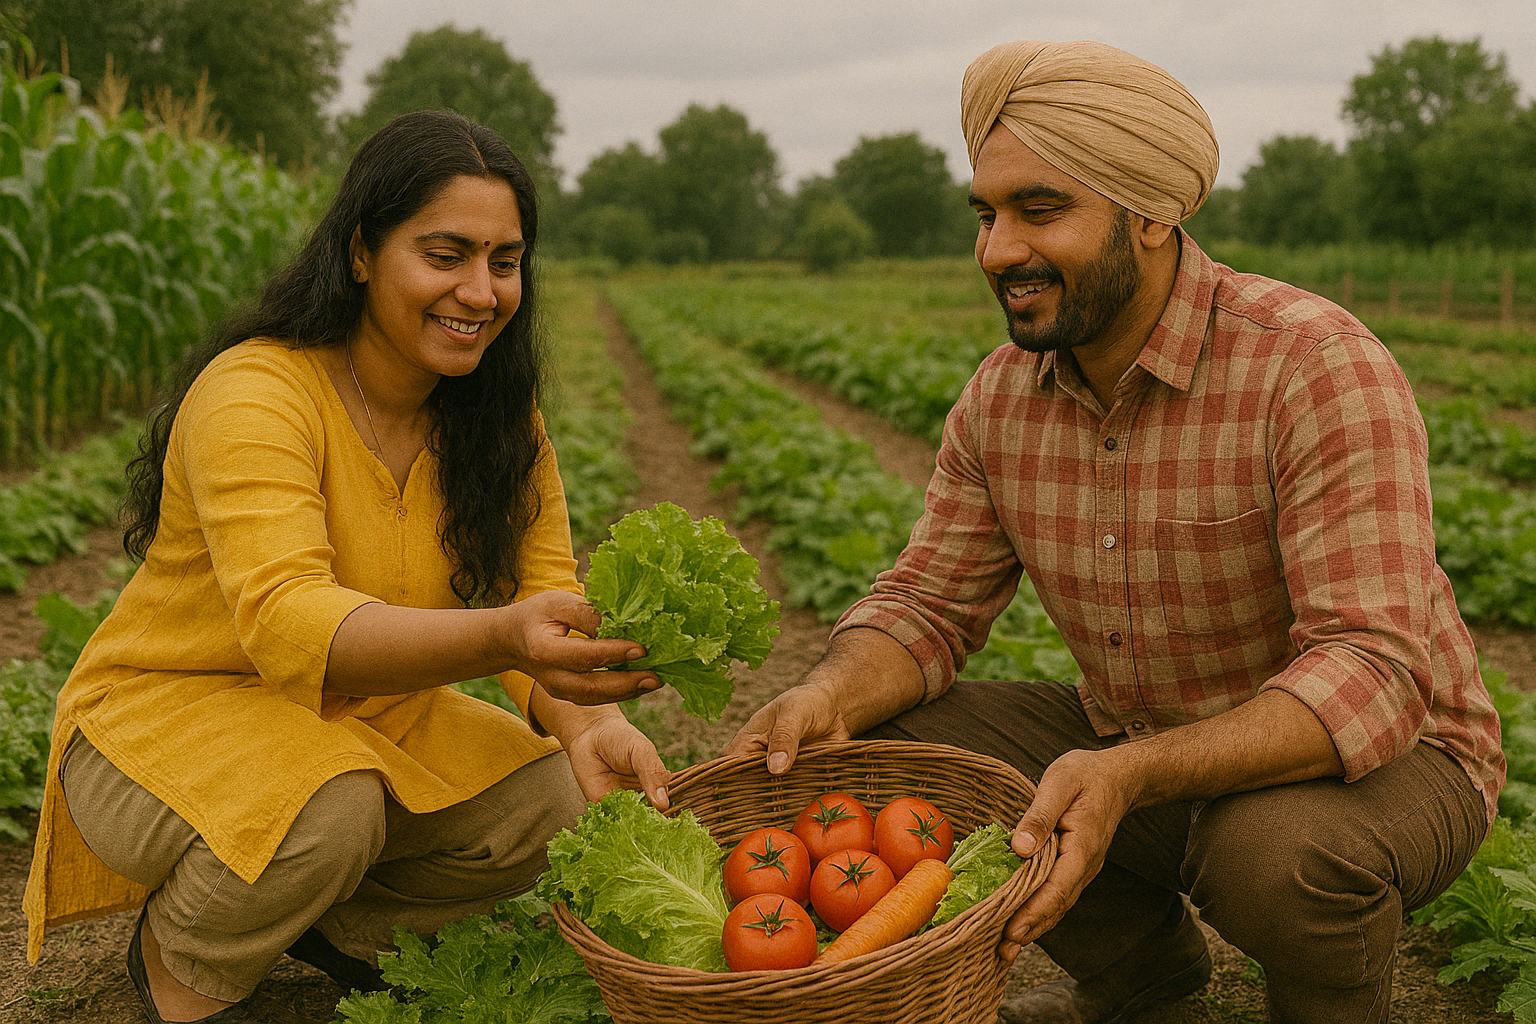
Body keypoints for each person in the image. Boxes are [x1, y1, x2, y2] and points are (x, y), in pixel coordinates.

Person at [726, 40, 1503, 1024]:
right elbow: (925, 603)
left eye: (1039, 211)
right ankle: (1142, 975)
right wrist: (825, 693)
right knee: (890, 736)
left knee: (1279, 855)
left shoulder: (1313, 364)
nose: (997, 249)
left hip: (1390, 764)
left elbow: (1374, 669)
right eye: (988, 212)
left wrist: (1130, 771)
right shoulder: (1002, 400)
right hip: (1139, 744)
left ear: (1152, 212)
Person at [24, 109, 671, 1024]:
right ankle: (185, 973)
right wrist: (498, 638)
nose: (480, 292)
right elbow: (291, 623)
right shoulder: (258, 392)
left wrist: (581, 715)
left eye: (505, 260)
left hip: (367, 728)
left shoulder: (497, 423)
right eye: (445, 255)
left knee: (560, 791)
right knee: (330, 807)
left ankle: (342, 929)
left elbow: (541, 601)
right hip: (164, 720)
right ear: (362, 253)